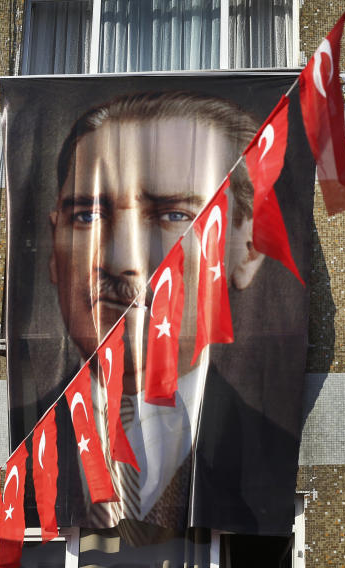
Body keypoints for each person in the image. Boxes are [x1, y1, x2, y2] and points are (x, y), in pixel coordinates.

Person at [48, 91, 269, 532]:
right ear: (53, 250)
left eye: (173, 214)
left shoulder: (276, 455)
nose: (122, 258)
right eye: (88, 216)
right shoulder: (19, 439)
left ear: (248, 248)